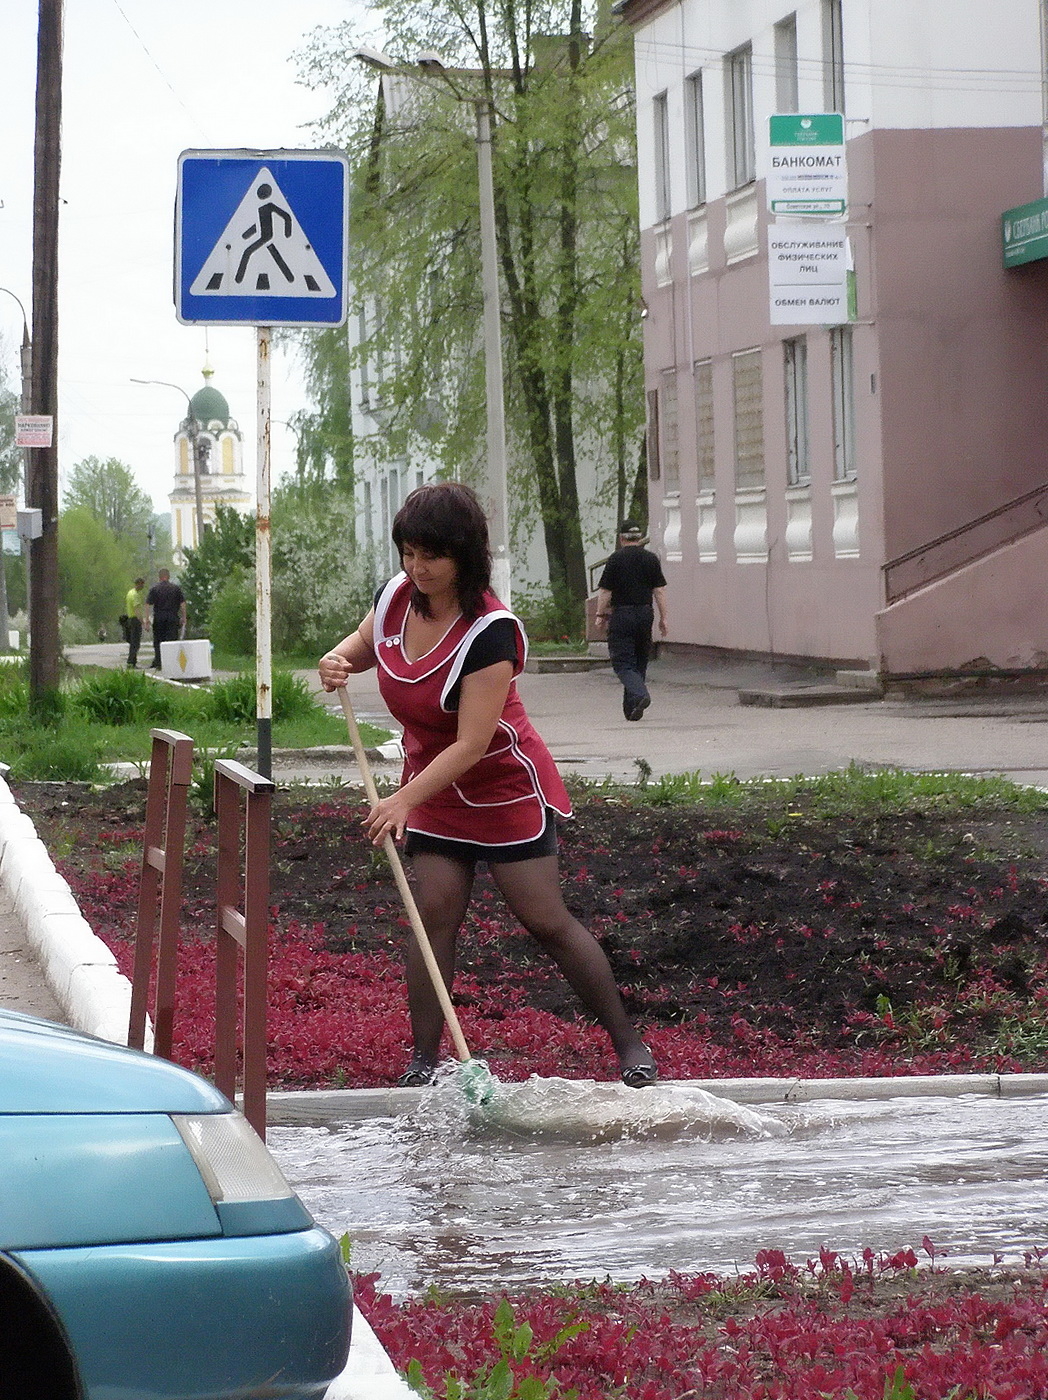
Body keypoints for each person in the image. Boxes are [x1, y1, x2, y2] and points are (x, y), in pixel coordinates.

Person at [318, 482, 658, 1090]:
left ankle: (629, 1043)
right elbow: (365, 644)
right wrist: (336, 660)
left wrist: (400, 800)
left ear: (465, 555)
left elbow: (472, 743)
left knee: (544, 919)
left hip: (501, 787)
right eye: (408, 552)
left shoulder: (491, 631)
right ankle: (423, 1062)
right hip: (434, 789)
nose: (416, 568)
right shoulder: (397, 596)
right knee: (434, 914)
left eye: (431, 556)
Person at [594, 521, 668, 721]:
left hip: (622, 615)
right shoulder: (651, 559)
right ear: (639, 537)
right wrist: (664, 619)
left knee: (623, 663)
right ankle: (633, 709)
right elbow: (659, 591)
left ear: (621, 538)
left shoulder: (616, 559)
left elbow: (605, 591)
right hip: (645, 613)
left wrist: (600, 616)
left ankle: (640, 694)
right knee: (640, 660)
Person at [146, 569, 187, 670]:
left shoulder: (155, 589)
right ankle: (172, 662)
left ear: (159, 577)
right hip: (172, 617)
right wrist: (183, 617)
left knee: (159, 640)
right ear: (168, 576)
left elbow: (147, 605)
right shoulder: (176, 588)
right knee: (172, 640)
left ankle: (159, 663)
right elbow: (182, 604)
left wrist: (147, 620)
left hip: (159, 617)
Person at [123, 577, 146, 669]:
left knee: (133, 641)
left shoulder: (130, 593)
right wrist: (142, 621)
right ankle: (132, 662)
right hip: (135, 620)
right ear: (139, 583)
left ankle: (131, 661)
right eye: (142, 584)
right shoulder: (135, 595)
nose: (143, 586)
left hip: (130, 619)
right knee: (136, 642)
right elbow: (137, 610)